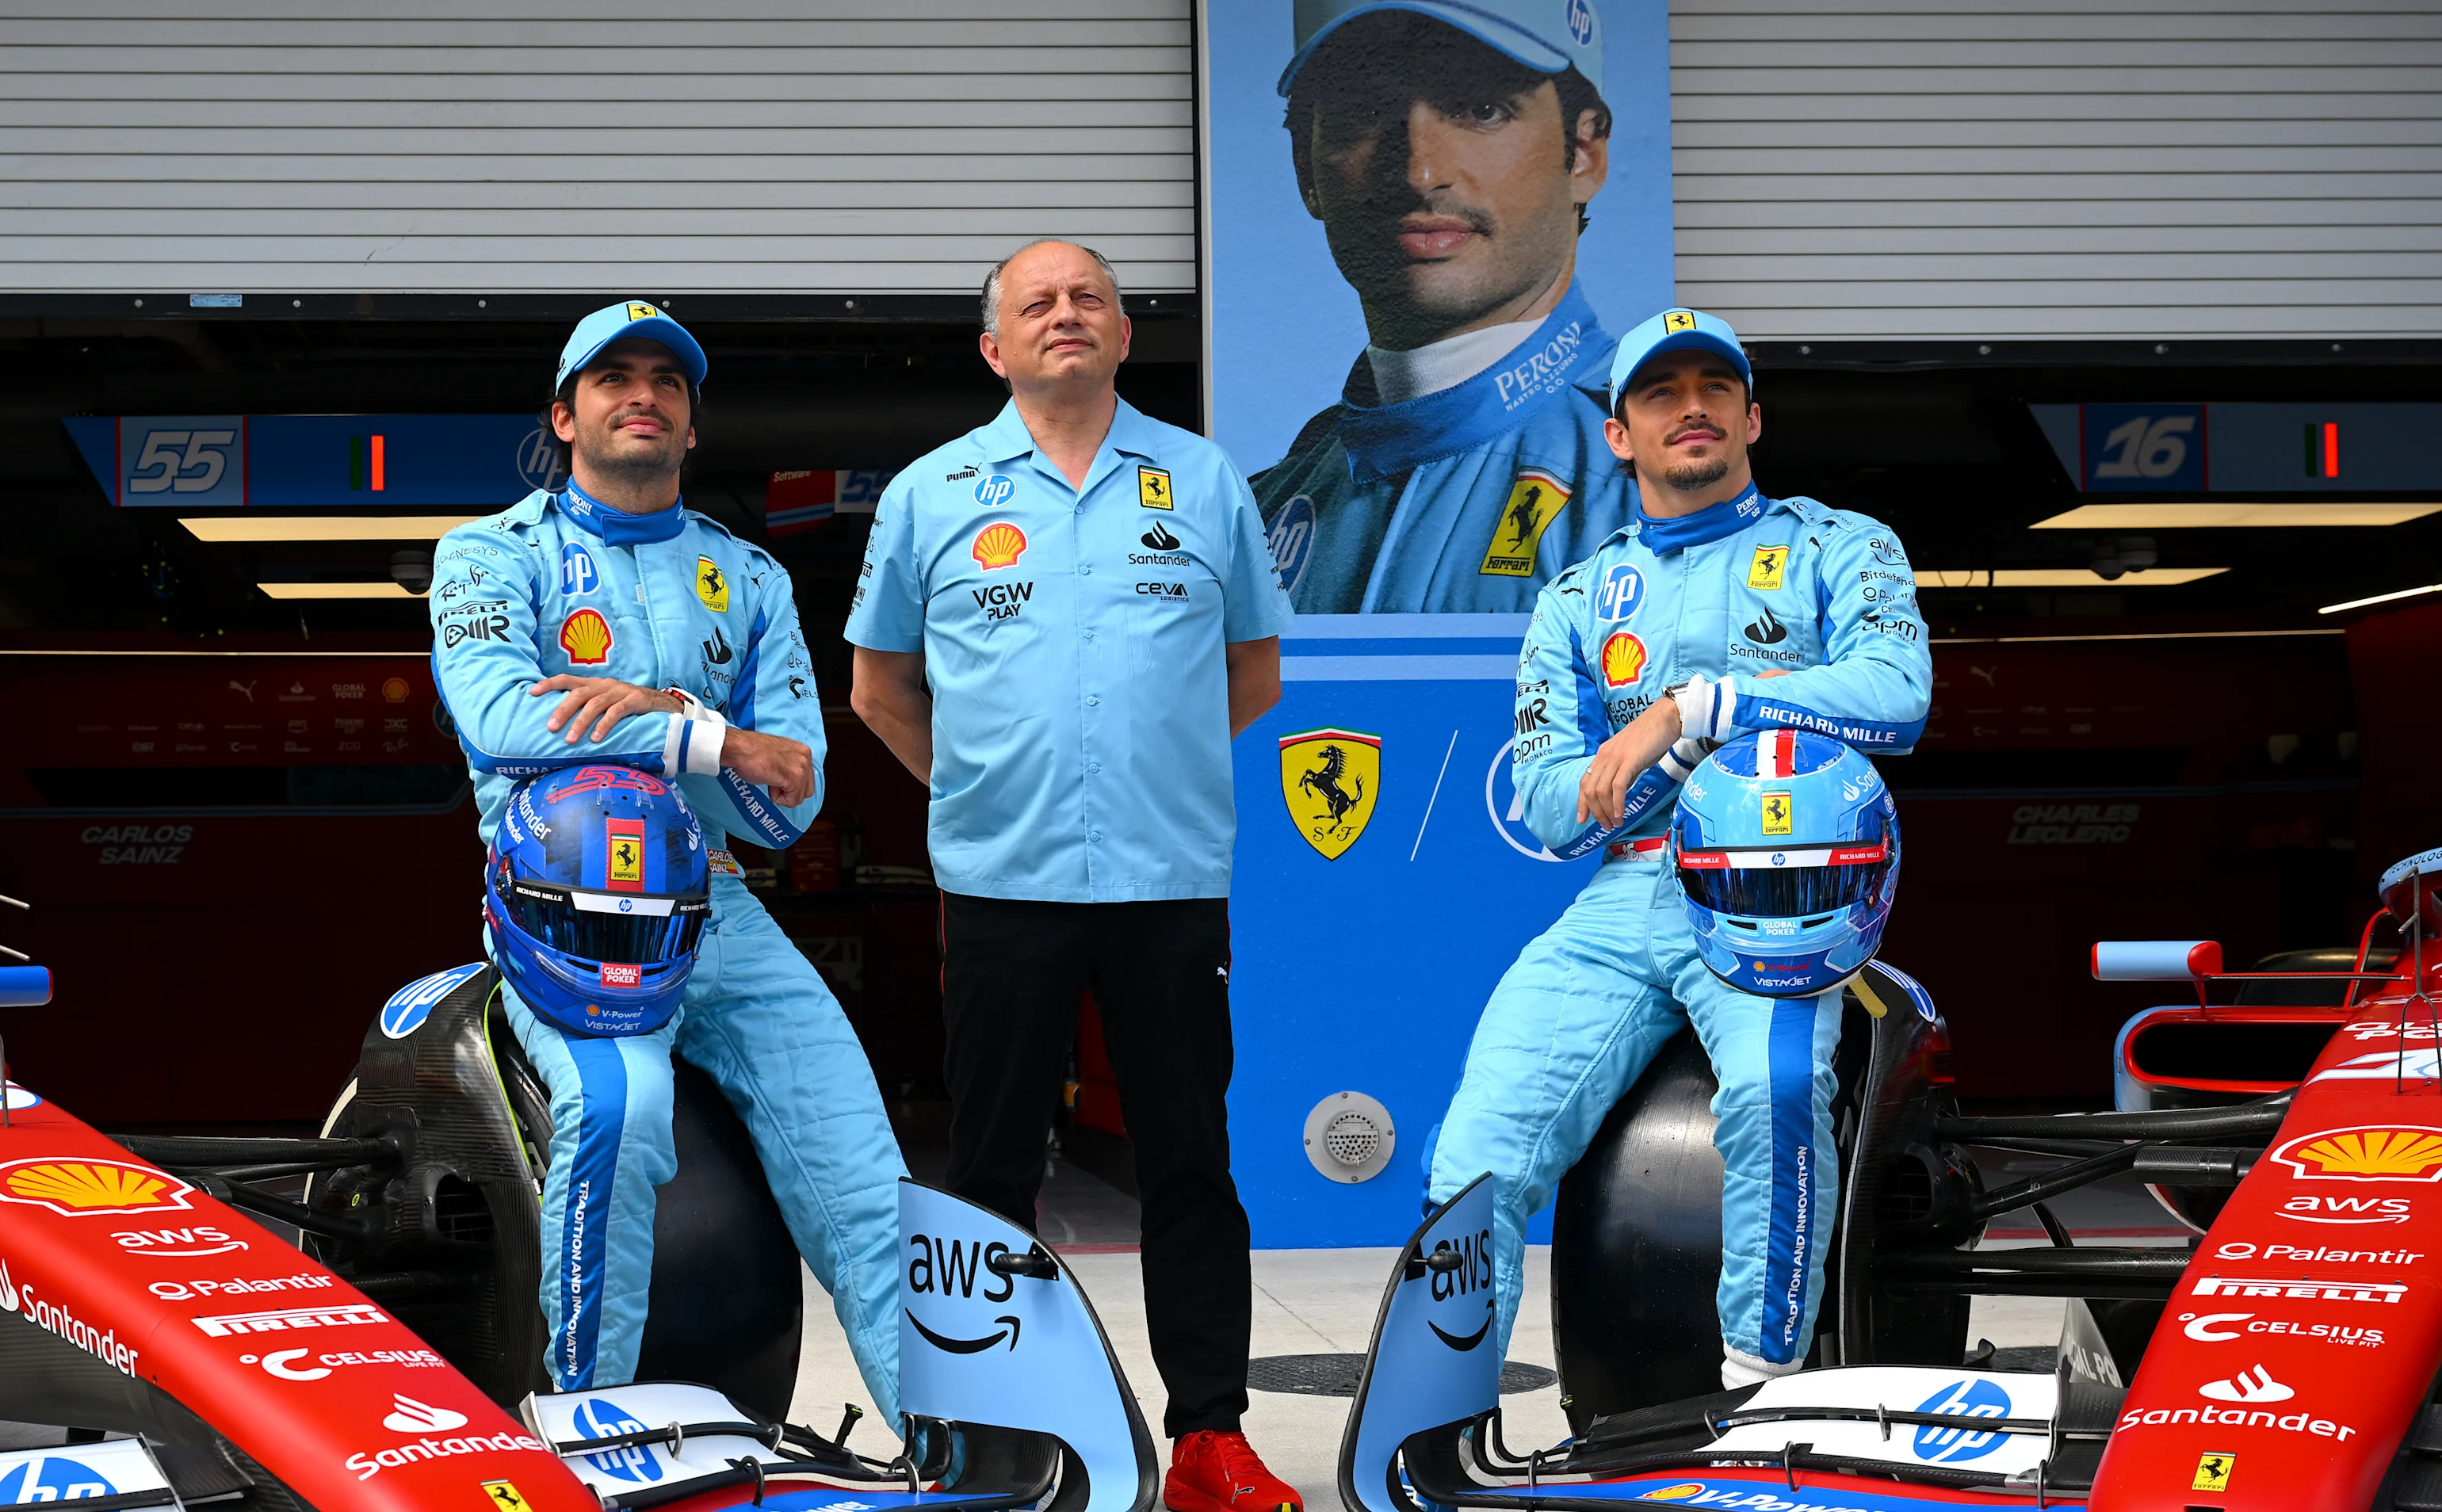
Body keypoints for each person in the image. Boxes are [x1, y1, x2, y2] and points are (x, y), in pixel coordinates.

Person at [845, 241, 1301, 1512]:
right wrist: (986, 787)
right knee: (989, 1173)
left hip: (1168, 881)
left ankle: (1212, 1439)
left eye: (1087, 297)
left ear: (1121, 334)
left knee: (1190, 1167)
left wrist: (1142, 765)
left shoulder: (1203, 482)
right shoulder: (933, 495)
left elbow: (1254, 677)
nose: (1065, 314)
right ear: (996, 348)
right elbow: (879, 690)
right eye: (1035, 302)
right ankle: (987, 1436)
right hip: (1001, 882)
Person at [1427, 306, 1932, 1388]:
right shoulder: (1573, 599)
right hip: (1620, 900)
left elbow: (1897, 697)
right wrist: (1670, 752)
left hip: (1779, 892)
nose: (1690, 408)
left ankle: (1758, 1403)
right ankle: (1445, 1421)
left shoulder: (1839, 544)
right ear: (1621, 434)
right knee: (1475, 1153)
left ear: (1752, 416)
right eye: (1660, 393)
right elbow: (1554, 809)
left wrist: (1695, 708)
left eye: (1714, 388)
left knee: (1773, 1098)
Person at [430, 300, 908, 1417]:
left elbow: (792, 803)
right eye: (613, 377)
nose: (642, 393)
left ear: (691, 427)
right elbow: (500, 714)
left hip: (719, 909)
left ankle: (940, 1448)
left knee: (865, 1176)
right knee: (621, 1113)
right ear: (566, 416)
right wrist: (709, 739)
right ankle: (586, 1432)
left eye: (667, 382)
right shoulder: (493, 553)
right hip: (564, 909)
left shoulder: (749, 579)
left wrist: (660, 711)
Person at [1251, 0, 1634, 613]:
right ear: (1305, 169)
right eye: (1363, 112)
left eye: (1480, 109)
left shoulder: (1659, 491)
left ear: (1584, 153)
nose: (1419, 170)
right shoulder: (1265, 511)